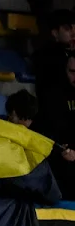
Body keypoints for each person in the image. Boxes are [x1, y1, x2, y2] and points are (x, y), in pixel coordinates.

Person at [36, 53, 75, 199]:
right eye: (72, 72)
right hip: (62, 163)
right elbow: (45, 130)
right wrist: (61, 149)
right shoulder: (55, 94)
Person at [34, 10, 74, 113]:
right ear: (55, 33)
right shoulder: (44, 55)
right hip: (55, 115)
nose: (73, 33)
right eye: (67, 29)